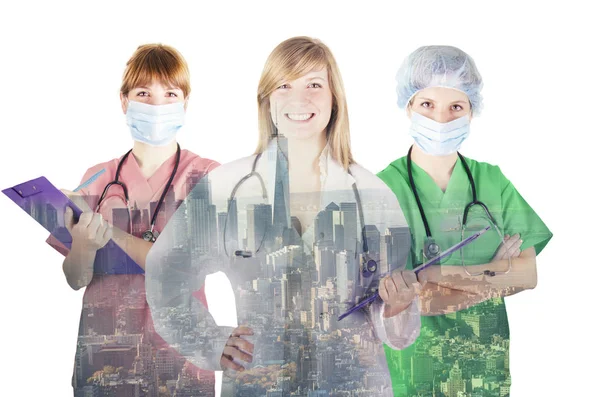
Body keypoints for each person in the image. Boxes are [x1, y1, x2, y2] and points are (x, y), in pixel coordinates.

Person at [145, 36, 421, 396]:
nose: (299, 99)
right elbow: (165, 272)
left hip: (352, 385)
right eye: (284, 85)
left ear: (334, 97)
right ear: (267, 100)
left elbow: (398, 330)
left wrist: (398, 306)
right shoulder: (226, 187)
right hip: (259, 384)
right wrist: (211, 342)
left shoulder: (373, 194)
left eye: (314, 85)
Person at [377, 45, 553, 396]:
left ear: (472, 112)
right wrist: (495, 272)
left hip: (485, 375)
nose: (441, 118)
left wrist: (432, 276)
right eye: (427, 104)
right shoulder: (382, 189)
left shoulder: (493, 181)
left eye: (456, 106)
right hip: (415, 378)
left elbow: (528, 276)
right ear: (408, 105)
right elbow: (411, 301)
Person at [46, 44, 220, 396]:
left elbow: (176, 265)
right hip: (104, 360)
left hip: (180, 359)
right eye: (143, 93)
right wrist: (82, 242)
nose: (157, 106)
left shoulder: (208, 178)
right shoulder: (97, 177)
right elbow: (75, 278)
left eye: (170, 93)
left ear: (185, 104)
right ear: (124, 102)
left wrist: (108, 231)